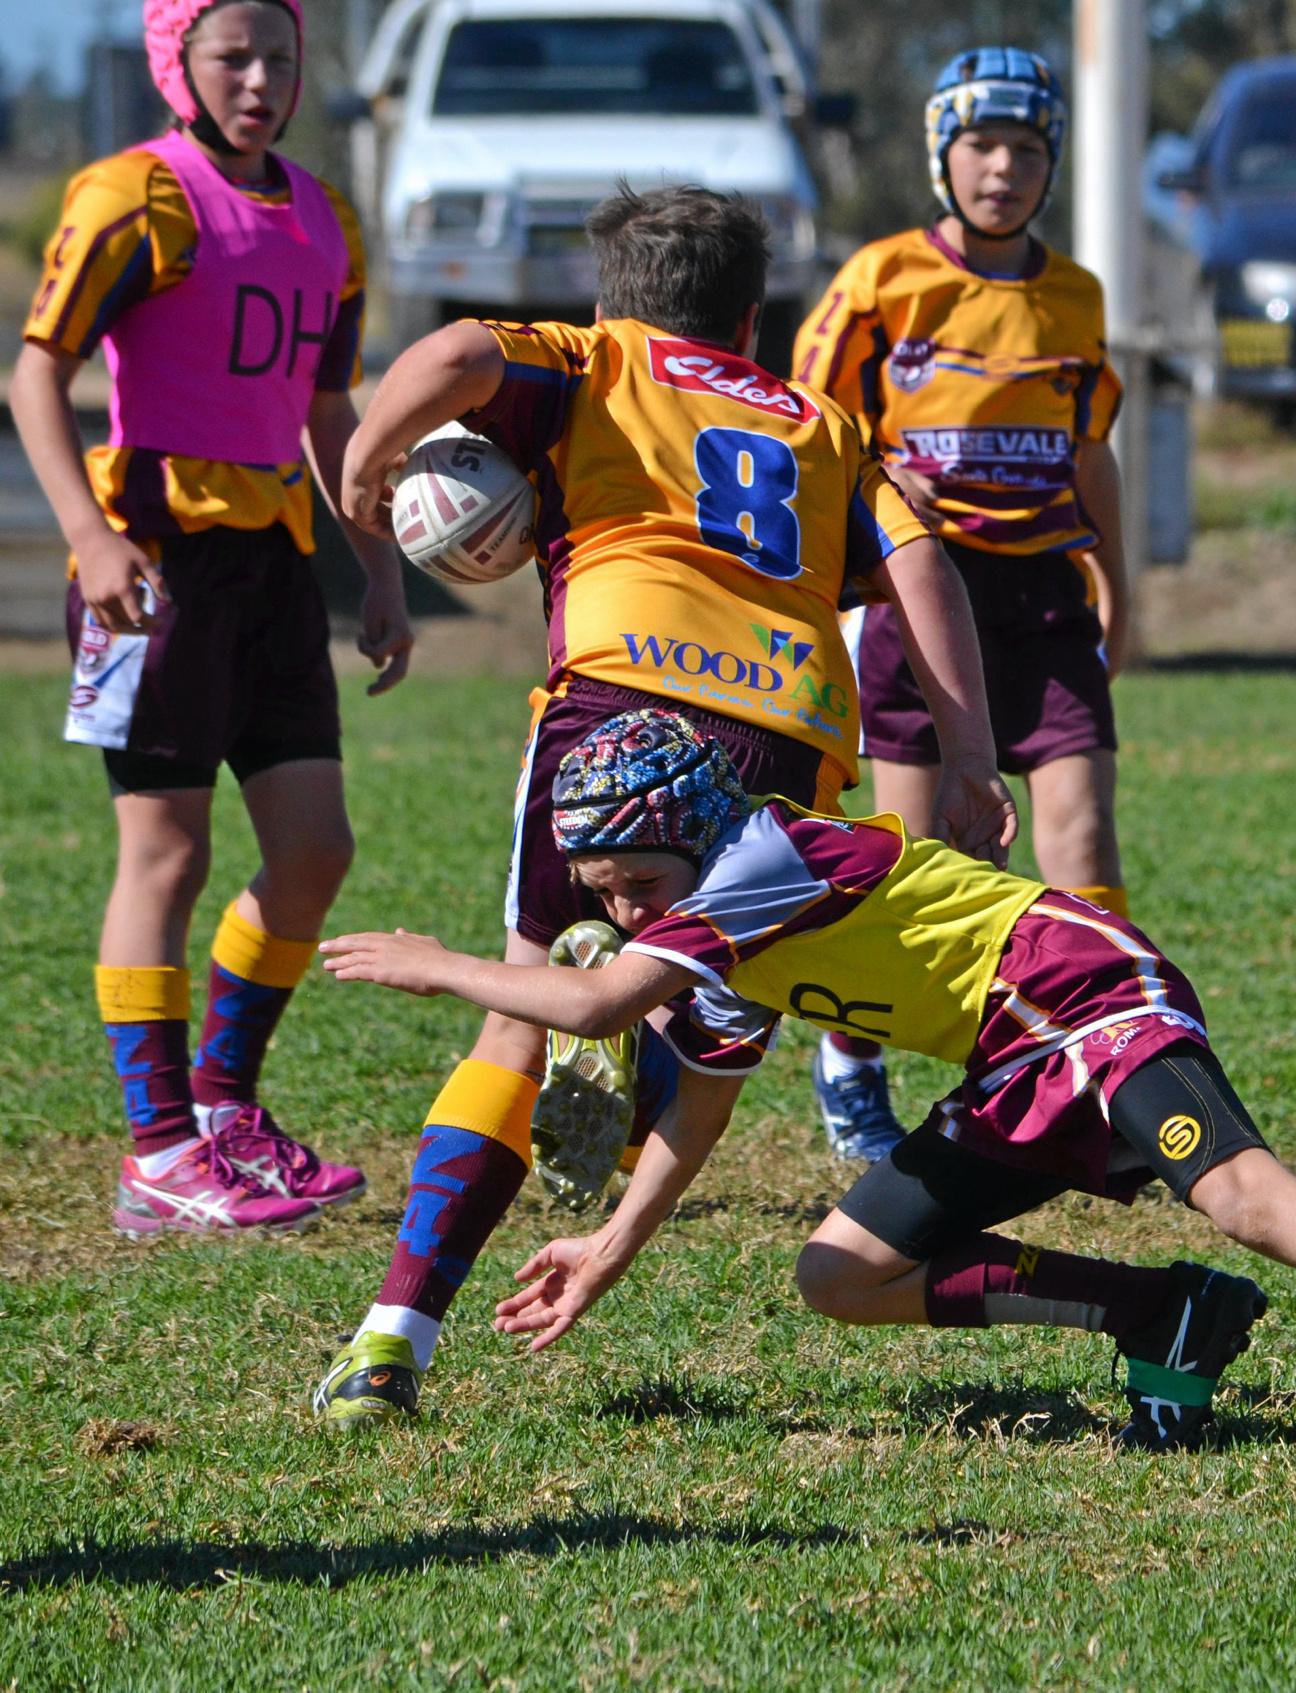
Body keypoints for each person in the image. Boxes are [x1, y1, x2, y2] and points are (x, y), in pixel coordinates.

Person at [320, 709, 1296, 1490]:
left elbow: (597, 1009)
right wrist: (606, 1247)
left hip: (1083, 991)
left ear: (694, 831)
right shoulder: (717, 927)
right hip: (1011, 1056)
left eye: (634, 879)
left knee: (1245, 1193)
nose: (618, 913)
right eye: (597, 892)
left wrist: (442, 964)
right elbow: (696, 1108)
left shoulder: (763, 857)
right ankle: (1167, 1315)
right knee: (841, 1274)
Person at [307, 184, 1017, 1423]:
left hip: (618, 698)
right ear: (750, 316)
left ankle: (393, 1336)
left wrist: (367, 465)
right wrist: (967, 753)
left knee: (521, 1007)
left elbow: (459, 352)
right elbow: (919, 560)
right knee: (714, 1001)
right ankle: (635, 1063)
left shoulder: (596, 358)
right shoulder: (822, 422)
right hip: (783, 734)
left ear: (608, 297)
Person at [10, 0, 412, 1235]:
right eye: (232, 55)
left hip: (277, 561)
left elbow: (331, 408)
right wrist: (89, 535)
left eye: (279, 58)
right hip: (157, 564)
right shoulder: (136, 196)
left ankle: (222, 1107)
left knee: (315, 850)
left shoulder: (325, 217)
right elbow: (37, 370)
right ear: (174, 63)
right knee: (166, 854)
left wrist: (380, 563)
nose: (259, 79)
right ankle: (154, 1149)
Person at [792, 48, 1130, 1162]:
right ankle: (855, 1060)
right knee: (926, 860)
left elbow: (1092, 453)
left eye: (1028, 148)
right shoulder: (882, 280)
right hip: (918, 599)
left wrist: (1120, 584)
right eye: (982, 144)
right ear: (944, 154)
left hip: (1043, 602)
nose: (1003, 168)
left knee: (1081, 829)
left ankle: (1106, 1059)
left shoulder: (1073, 295)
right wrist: (882, 482)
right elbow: (804, 432)